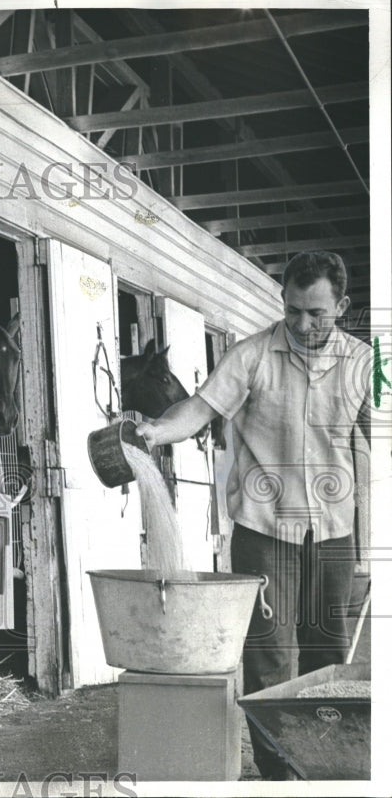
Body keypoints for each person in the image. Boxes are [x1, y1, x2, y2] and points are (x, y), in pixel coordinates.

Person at [136, 251, 371, 780]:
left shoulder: (363, 363)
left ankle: (325, 770)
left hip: (333, 532)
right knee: (268, 660)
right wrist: (155, 431)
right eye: (291, 311)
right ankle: (277, 777)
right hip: (263, 531)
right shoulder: (253, 355)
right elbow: (199, 407)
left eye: (316, 314)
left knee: (329, 660)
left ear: (344, 307)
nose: (302, 324)